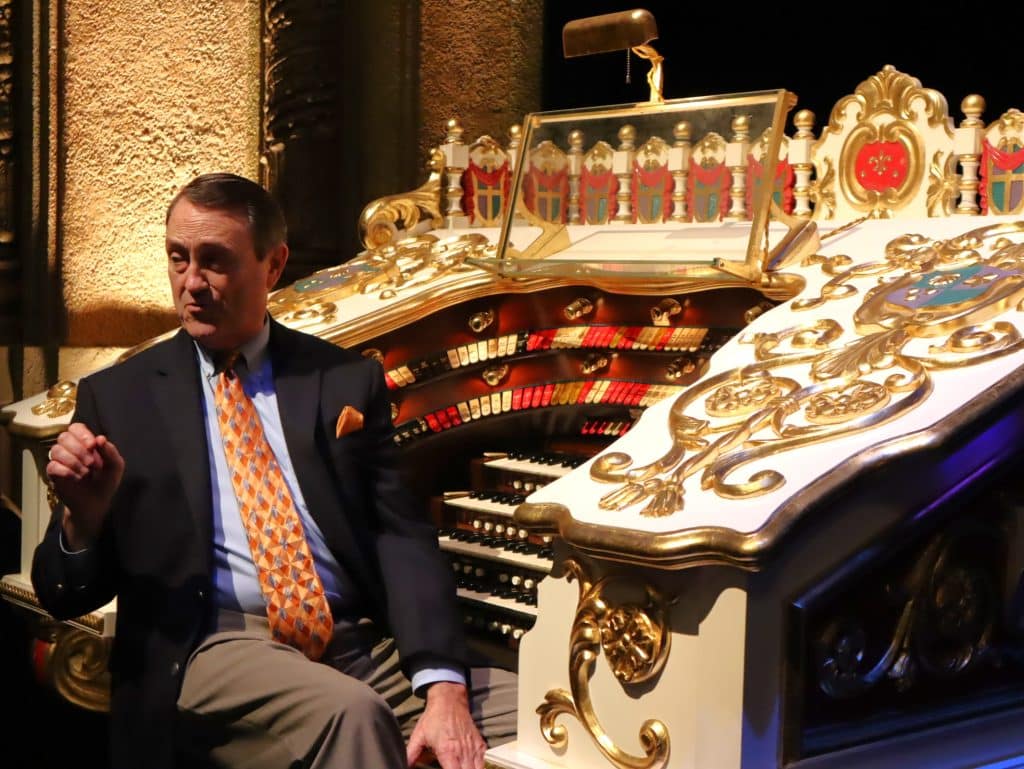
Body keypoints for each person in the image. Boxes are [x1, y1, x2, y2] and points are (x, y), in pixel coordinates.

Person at [31, 172, 516, 769]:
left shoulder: (342, 379)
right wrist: (83, 518)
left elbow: (399, 536)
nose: (191, 282)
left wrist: (444, 690)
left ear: (274, 265)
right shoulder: (119, 397)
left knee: (551, 717)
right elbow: (62, 593)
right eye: (179, 258)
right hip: (212, 642)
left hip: (356, 641)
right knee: (351, 713)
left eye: (215, 261)